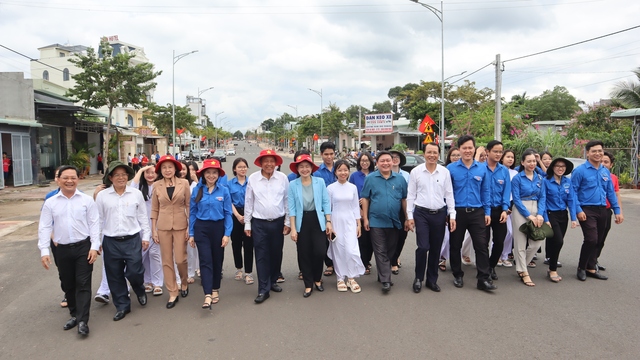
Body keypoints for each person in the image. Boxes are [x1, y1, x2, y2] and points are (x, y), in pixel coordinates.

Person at [38, 165, 100, 336]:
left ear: (78, 179)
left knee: (83, 283)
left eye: (73, 177)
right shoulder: (50, 203)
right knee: (67, 283)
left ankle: (82, 321)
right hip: (62, 249)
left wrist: (94, 246)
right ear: (58, 179)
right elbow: (44, 227)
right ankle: (74, 313)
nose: (70, 181)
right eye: (65, 177)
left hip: (83, 248)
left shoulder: (86, 200)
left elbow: (95, 224)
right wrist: (44, 251)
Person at [95, 161, 151, 321]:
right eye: (117, 175)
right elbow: (98, 220)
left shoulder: (135, 194)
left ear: (128, 176)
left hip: (132, 239)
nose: (121, 178)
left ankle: (139, 289)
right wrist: (96, 242)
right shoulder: (102, 196)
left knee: (135, 271)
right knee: (114, 274)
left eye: (124, 174)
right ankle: (122, 306)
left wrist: (145, 236)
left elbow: (142, 217)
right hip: (111, 241)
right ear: (110, 178)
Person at [447, 135, 495, 291]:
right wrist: (449, 214)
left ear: (474, 149)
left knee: (481, 246)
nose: (467, 150)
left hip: (477, 212)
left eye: (470, 147)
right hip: (457, 213)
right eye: (464, 148)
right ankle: (457, 274)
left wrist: (487, 212)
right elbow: (447, 193)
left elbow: (486, 191)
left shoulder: (482, 168)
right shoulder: (451, 169)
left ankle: (483, 278)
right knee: (455, 245)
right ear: (459, 150)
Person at [405, 143, 455, 293]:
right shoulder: (416, 172)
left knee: (435, 248)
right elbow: (411, 195)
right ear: (424, 154)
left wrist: (452, 215)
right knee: (423, 247)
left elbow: (449, 195)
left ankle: (432, 280)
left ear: (439, 154)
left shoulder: (445, 172)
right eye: (429, 152)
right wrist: (409, 216)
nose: (432, 155)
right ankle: (418, 278)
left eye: (435, 152)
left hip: (439, 214)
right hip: (421, 214)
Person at [571, 140, 623, 281]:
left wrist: (617, 210)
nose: (598, 153)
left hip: (602, 209)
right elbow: (573, 192)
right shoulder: (580, 171)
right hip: (586, 209)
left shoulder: (604, 171)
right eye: (594, 151)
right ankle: (581, 267)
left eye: (600, 151)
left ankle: (591, 267)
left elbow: (610, 192)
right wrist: (578, 210)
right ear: (588, 153)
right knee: (591, 238)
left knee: (599, 240)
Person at [244, 149, 291, 304]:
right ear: (261, 163)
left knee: (276, 254)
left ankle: (273, 281)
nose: (269, 164)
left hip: (278, 222)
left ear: (276, 163)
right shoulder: (253, 178)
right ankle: (263, 289)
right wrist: (247, 223)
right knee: (262, 255)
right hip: (259, 224)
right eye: (266, 161)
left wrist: (287, 222)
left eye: (272, 161)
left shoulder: (282, 178)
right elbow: (249, 202)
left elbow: (287, 200)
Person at [361, 151, 408, 293]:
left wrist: (407, 218)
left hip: (394, 221)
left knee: (390, 250)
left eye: (388, 160)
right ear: (377, 163)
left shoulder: (400, 180)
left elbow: (404, 199)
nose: (386, 163)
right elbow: (365, 199)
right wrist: (365, 218)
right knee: (380, 250)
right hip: (376, 221)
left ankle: (382, 275)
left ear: (393, 162)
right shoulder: (370, 178)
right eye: (382, 161)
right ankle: (386, 280)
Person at [189, 159, 232, 309]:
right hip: (202, 228)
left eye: (214, 173)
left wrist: (227, 234)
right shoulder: (197, 190)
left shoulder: (224, 190)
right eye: (208, 172)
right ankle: (207, 294)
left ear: (218, 175)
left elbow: (228, 213)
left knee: (217, 259)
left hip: (218, 228)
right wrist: (192, 233)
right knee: (205, 260)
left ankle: (215, 289)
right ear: (203, 174)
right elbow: (193, 212)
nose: (211, 175)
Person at [288, 154, 333, 297]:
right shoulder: (292, 185)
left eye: (307, 166)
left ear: (312, 168)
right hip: (302, 221)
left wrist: (328, 221)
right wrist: (293, 228)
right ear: (297, 169)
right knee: (304, 253)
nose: (304, 169)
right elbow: (292, 208)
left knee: (320, 251)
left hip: (317, 219)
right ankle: (308, 284)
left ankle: (317, 279)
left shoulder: (319, 182)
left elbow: (326, 202)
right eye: (301, 167)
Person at [150, 155, 191, 308]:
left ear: (175, 168)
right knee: (166, 261)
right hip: (163, 226)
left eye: (170, 167)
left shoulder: (184, 183)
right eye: (164, 167)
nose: (167, 170)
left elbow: (189, 206)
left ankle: (184, 282)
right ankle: (173, 292)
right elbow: (155, 208)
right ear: (160, 170)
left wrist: (189, 227)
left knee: (180, 259)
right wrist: (154, 230)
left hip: (181, 224)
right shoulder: (156, 185)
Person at [511, 149, 547, 287]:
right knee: (520, 242)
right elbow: (516, 199)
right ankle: (524, 272)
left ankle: (521, 265)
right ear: (522, 162)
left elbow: (543, 197)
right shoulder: (517, 178)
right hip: (521, 210)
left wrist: (539, 214)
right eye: (529, 161)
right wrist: (528, 215)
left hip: (537, 208)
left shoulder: (539, 178)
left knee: (537, 241)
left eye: (534, 161)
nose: (532, 164)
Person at [328, 160, 365, 293]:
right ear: (335, 172)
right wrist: (329, 225)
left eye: (345, 170)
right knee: (338, 250)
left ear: (349, 171)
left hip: (350, 221)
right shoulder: (331, 188)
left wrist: (358, 224)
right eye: (340, 170)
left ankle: (351, 277)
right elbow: (328, 208)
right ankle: (340, 278)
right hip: (336, 220)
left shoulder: (352, 187)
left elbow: (355, 206)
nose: (343, 173)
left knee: (351, 249)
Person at [543, 157, 577, 282]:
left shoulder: (567, 182)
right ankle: (552, 269)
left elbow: (571, 200)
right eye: (557, 166)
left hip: (563, 215)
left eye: (563, 166)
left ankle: (550, 261)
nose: (560, 168)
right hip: (551, 214)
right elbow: (543, 201)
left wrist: (573, 218)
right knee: (558, 241)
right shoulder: (546, 182)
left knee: (555, 241)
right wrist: (545, 218)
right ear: (552, 167)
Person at [132, 165, 164, 296]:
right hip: (142, 226)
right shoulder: (139, 188)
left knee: (155, 254)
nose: (150, 175)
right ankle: (148, 281)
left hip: (157, 224)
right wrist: (140, 170)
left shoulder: (161, 186)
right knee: (143, 255)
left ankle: (157, 283)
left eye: (153, 172)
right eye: (147, 173)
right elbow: (132, 185)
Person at [483, 140, 511, 281]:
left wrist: (505, 210)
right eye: (495, 151)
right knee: (483, 242)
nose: (498, 154)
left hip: (500, 210)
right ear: (487, 152)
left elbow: (507, 191)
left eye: (500, 151)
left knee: (500, 241)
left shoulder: (504, 170)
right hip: (483, 212)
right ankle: (484, 269)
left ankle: (491, 265)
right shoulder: (480, 168)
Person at [349, 152, 375, 275]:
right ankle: (361, 262)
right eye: (362, 160)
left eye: (367, 160)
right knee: (361, 238)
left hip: (373, 209)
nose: (364, 163)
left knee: (371, 238)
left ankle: (367, 260)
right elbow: (350, 192)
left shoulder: (375, 175)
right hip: (357, 209)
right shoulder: (354, 176)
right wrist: (358, 206)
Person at [228, 158, 254, 285]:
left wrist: (247, 216)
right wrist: (238, 216)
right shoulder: (229, 184)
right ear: (234, 169)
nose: (242, 169)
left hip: (250, 214)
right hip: (235, 215)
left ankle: (248, 273)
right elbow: (229, 201)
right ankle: (239, 268)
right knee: (236, 244)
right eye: (239, 167)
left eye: (244, 166)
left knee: (249, 244)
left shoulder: (252, 182)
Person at [313, 142, 337, 277]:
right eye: (326, 154)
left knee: (338, 236)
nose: (329, 157)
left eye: (331, 154)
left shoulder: (340, 168)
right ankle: (329, 264)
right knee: (324, 238)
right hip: (322, 210)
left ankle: (338, 262)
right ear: (321, 155)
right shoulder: (316, 173)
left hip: (339, 208)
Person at [596, 151, 622, 271]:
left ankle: (594, 260)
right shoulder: (593, 174)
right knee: (592, 238)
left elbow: (616, 195)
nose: (603, 164)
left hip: (607, 211)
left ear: (611, 165)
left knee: (602, 238)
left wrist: (619, 212)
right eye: (601, 161)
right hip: (594, 210)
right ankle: (587, 262)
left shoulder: (613, 178)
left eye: (606, 162)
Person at [438, 147, 461, 271]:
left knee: (455, 238)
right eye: (454, 155)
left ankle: (452, 259)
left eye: (458, 155)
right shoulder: (444, 171)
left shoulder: (462, 170)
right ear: (449, 157)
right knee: (445, 237)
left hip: (458, 208)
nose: (456, 157)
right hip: (445, 207)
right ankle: (442, 258)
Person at [389, 149, 410, 275]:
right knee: (390, 237)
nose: (394, 159)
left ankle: (395, 256)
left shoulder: (407, 175)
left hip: (403, 209)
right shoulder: (382, 173)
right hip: (389, 209)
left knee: (402, 236)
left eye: (397, 157)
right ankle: (393, 261)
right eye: (392, 157)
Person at [497, 149, 518, 268]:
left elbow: (515, 192)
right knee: (498, 234)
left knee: (510, 233)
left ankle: (505, 255)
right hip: (498, 206)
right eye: (508, 157)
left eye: (512, 157)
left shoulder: (515, 173)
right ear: (502, 158)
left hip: (511, 206)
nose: (510, 159)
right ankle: (497, 256)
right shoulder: (498, 170)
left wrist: (511, 205)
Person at [180, 160, 198, 285]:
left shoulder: (194, 186)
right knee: (178, 250)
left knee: (190, 249)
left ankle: (190, 272)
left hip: (191, 218)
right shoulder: (172, 183)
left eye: (184, 169)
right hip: (176, 219)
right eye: (180, 169)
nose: (182, 172)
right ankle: (179, 275)